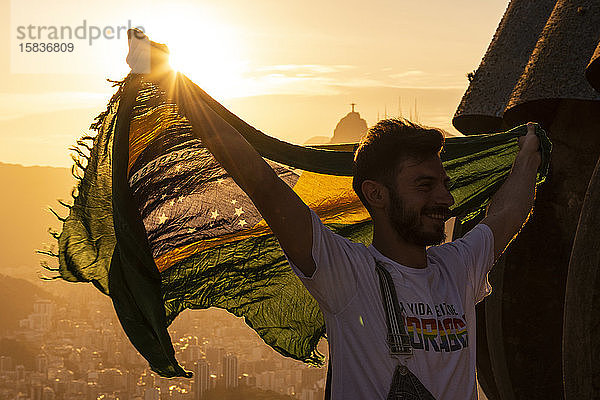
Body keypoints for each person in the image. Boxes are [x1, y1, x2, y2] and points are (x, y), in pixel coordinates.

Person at [151, 66, 541, 399]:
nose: (445, 197)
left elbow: (506, 213)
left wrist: (529, 153)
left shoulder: (458, 268)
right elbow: (266, 187)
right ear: (376, 194)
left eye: (444, 183)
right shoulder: (347, 273)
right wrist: (175, 86)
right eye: (425, 186)